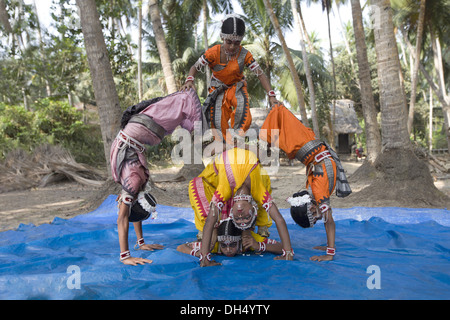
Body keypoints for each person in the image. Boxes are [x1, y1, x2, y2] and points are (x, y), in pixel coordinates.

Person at [110, 89, 204, 265]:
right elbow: (131, 215)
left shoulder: (134, 181)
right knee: (171, 120)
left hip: (135, 135)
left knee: (181, 105)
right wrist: (140, 244)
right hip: (132, 141)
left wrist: (126, 255)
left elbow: (123, 218)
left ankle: (187, 96)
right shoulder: (136, 182)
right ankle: (189, 100)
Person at [259, 103, 352, 262]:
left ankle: (272, 98)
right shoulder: (317, 191)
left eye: (315, 218)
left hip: (308, 148)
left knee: (269, 129)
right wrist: (330, 249)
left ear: (311, 207)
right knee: (271, 124)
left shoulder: (317, 191)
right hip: (307, 146)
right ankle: (273, 99)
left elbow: (328, 221)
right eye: (316, 218)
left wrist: (330, 252)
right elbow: (328, 221)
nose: (319, 218)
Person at [181, 14, 278, 144]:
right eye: (229, 42)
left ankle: (237, 141)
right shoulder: (212, 53)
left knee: (244, 116)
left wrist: (271, 95)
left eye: (237, 43)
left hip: (237, 87)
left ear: (241, 41)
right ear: (222, 38)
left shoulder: (245, 54)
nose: (232, 47)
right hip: (217, 88)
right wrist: (189, 80)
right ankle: (226, 147)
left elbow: (260, 74)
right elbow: (195, 66)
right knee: (217, 122)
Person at [190, 147, 293, 267]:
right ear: (253, 208)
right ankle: (215, 231)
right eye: (245, 218)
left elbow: (211, 220)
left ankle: (249, 229)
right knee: (264, 182)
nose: (240, 216)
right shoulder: (258, 189)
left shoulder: (224, 190)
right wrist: (288, 252)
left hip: (223, 182)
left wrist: (204, 257)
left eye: (238, 219)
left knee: (213, 216)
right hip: (207, 184)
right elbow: (279, 218)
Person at [176, 218, 282, 258]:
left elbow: (284, 247)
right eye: (223, 245)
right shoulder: (214, 243)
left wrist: (258, 246)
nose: (228, 250)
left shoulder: (249, 241)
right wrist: (197, 253)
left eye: (232, 245)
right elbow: (181, 247)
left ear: (239, 239)